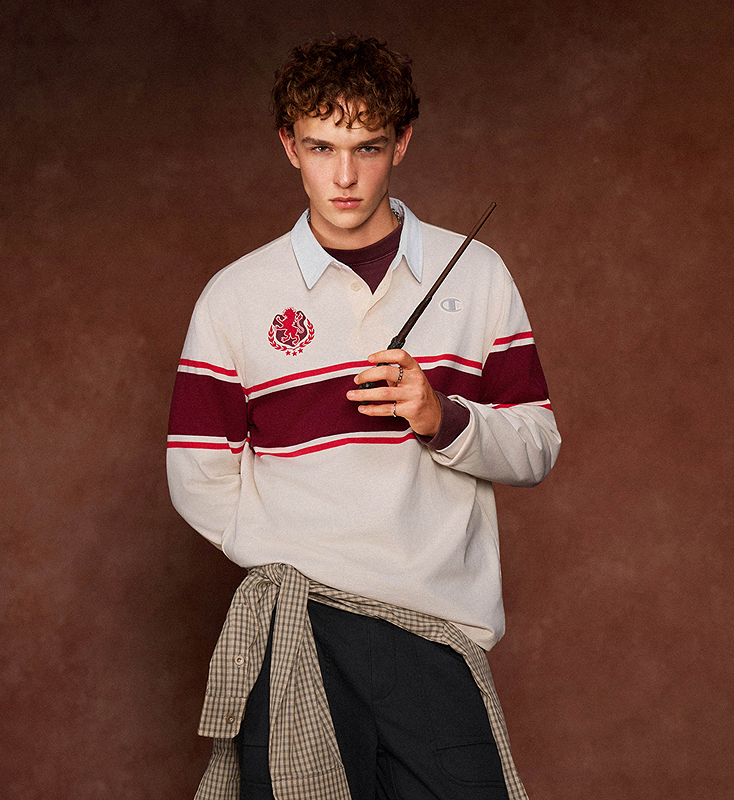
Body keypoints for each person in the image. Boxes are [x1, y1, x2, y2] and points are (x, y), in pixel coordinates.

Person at [167, 34, 560, 800]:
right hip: (300, 623)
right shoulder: (235, 295)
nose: (343, 176)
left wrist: (442, 417)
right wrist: (292, 551)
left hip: (435, 627)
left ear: (401, 143)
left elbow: (537, 445)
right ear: (290, 146)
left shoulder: (478, 275)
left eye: (367, 147)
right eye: (321, 147)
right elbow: (195, 470)